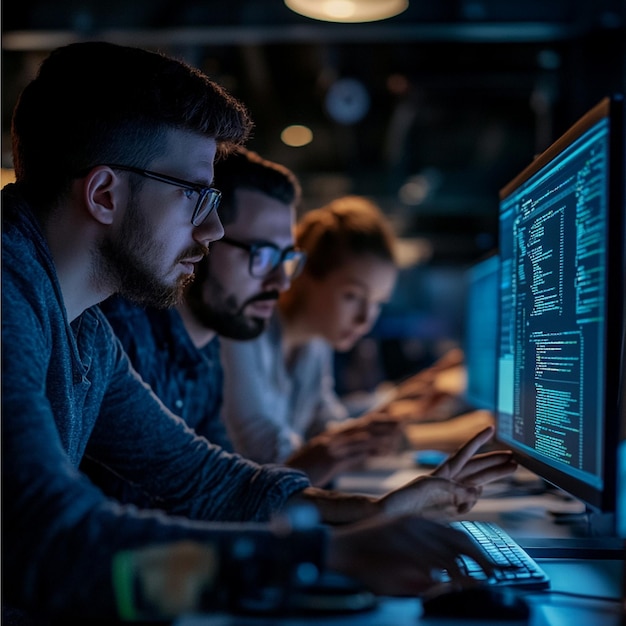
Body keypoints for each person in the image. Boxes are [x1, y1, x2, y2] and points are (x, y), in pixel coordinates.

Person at [2, 40, 516, 622]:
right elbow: (46, 542)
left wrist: (375, 509)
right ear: (103, 195)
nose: (214, 229)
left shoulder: (85, 330)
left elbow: (205, 481)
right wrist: (324, 555)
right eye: (196, 197)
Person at [99, 148, 403, 490]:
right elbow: (196, 496)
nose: (281, 283)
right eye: (263, 254)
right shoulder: (119, 333)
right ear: (203, 237)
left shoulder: (206, 356)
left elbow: (215, 491)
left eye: (286, 258)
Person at [219, 196, 493, 474]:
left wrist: (406, 400)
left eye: (377, 303)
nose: (365, 319)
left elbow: (326, 426)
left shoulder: (315, 343)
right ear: (304, 274)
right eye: (352, 296)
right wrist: (432, 435)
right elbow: (271, 457)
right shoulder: (244, 329)